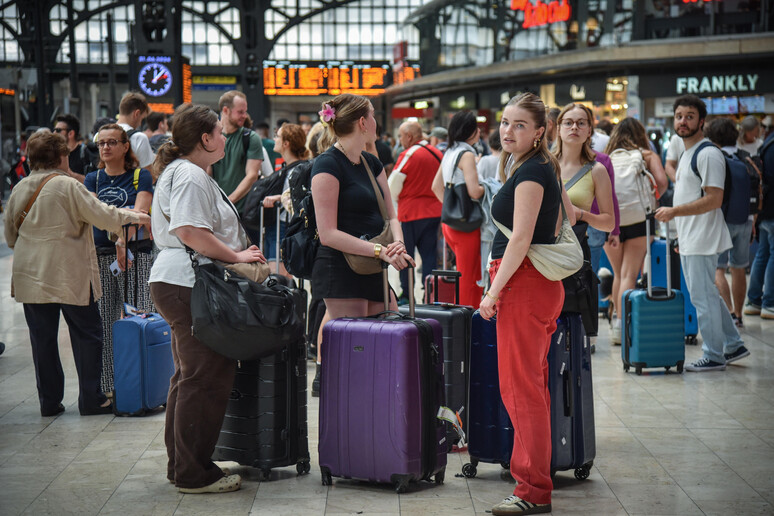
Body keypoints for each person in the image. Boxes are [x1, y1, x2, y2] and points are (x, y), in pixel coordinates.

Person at [149, 103, 265, 494]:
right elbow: (189, 229)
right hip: (188, 282)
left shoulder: (188, 173)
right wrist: (236, 256)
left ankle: (182, 464)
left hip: (180, 280)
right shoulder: (189, 175)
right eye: (219, 131)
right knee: (204, 377)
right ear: (205, 138)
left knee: (189, 377)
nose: (224, 137)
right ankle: (192, 473)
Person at [3, 130, 148, 417]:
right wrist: (136, 217)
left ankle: (49, 402)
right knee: (87, 335)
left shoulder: (20, 189)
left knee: (42, 339)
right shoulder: (68, 186)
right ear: (61, 156)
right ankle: (91, 400)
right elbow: (103, 215)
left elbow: (9, 236)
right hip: (70, 274)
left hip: (31, 275)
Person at [479, 92, 575, 516]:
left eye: (519, 125)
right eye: (504, 122)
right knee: (527, 388)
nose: (508, 131)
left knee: (522, 391)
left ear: (540, 132)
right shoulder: (533, 167)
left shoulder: (533, 171)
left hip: (524, 283)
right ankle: (530, 483)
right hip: (529, 282)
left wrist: (493, 291)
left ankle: (533, 490)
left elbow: (520, 239)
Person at [655, 95, 749, 372]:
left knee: (701, 297)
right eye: (679, 116)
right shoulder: (688, 154)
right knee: (709, 294)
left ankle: (714, 354)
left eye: (690, 116)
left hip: (703, 236)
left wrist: (673, 212)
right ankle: (733, 345)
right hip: (693, 236)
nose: (683, 121)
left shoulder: (707, 154)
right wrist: (680, 236)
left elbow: (713, 199)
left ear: (701, 121)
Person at [311, 93, 413, 321]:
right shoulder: (327, 164)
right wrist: (381, 251)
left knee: (387, 336)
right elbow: (328, 234)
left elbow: (391, 215)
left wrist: (398, 244)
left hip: (373, 266)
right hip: (340, 268)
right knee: (354, 347)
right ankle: (320, 359)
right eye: (373, 116)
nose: (377, 122)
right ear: (362, 123)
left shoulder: (371, 162)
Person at [84, 123, 155, 394]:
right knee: (105, 323)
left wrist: (121, 239)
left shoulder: (140, 176)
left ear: (126, 146)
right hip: (102, 256)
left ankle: (144, 383)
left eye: (112, 142)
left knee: (141, 318)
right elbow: (93, 215)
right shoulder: (93, 178)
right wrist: (121, 222)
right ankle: (109, 386)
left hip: (137, 256)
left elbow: (138, 216)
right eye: (101, 143)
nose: (105, 147)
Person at [603, 117, 668, 342]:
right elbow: (662, 182)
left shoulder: (606, 158)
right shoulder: (647, 156)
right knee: (630, 274)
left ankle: (615, 324)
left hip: (610, 222)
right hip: (639, 220)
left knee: (618, 273)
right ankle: (623, 326)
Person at [554, 103, 616, 337]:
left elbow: (608, 221)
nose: (574, 128)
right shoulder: (545, 164)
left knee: (571, 321)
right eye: (568, 122)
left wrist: (580, 214)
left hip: (575, 251)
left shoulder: (596, 170)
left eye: (581, 123)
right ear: (558, 128)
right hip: (542, 250)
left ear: (590, 130)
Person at [431, 111, 485, 307]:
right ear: (470, 131)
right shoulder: (467, 154)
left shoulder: (449, 152)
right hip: (467, 225)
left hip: (451, 224)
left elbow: (436, 187)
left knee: (466, 274)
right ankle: (466, 322)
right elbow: (474, 192)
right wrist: (488, 186)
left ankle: (464, 320)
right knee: (470, 278)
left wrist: (450, 208)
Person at [704, 118, 753, 327]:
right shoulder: (747, 158)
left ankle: (730, 314)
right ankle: (739, 315)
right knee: (739, 268)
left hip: (722, 221)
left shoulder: (716, 159)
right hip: (745, 220)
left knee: (718, 269)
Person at [388, 120, 443, 303]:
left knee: (406, 255)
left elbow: (392, 185)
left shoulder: (409, 154)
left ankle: (406, 295)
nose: (400, 140)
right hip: (434, 212)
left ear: (409, 136)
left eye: (401, 136)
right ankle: (430, 295)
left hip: (409, 213)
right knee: (429, 257)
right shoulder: (437, 153)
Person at [261, 123, 310, 274]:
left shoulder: (295, 170)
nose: (274, 139)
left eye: (278, 136)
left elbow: (294, 197)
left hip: (284, 225)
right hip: (278, 225)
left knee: (279, 273)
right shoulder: (293, 167)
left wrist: (278, 197)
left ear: (286, 143)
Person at [744, 128, 774, 319]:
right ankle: (769, 303)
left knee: (763, 254)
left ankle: (754, 300)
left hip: (764, 208)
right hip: (772, 210)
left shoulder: (767, 143)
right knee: (771, 254)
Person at [116, 92, 156, 169]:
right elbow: (149, 176)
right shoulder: (139, 138)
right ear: (136, 114)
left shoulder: (100, 135)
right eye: (142, 118)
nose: (140, 124)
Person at [54, 113, 98, 182]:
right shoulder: (55, 155)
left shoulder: (86, 153)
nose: (54, 133)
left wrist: (70, 174)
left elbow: (94, 182)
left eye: (58, 130)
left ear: (70, 133)